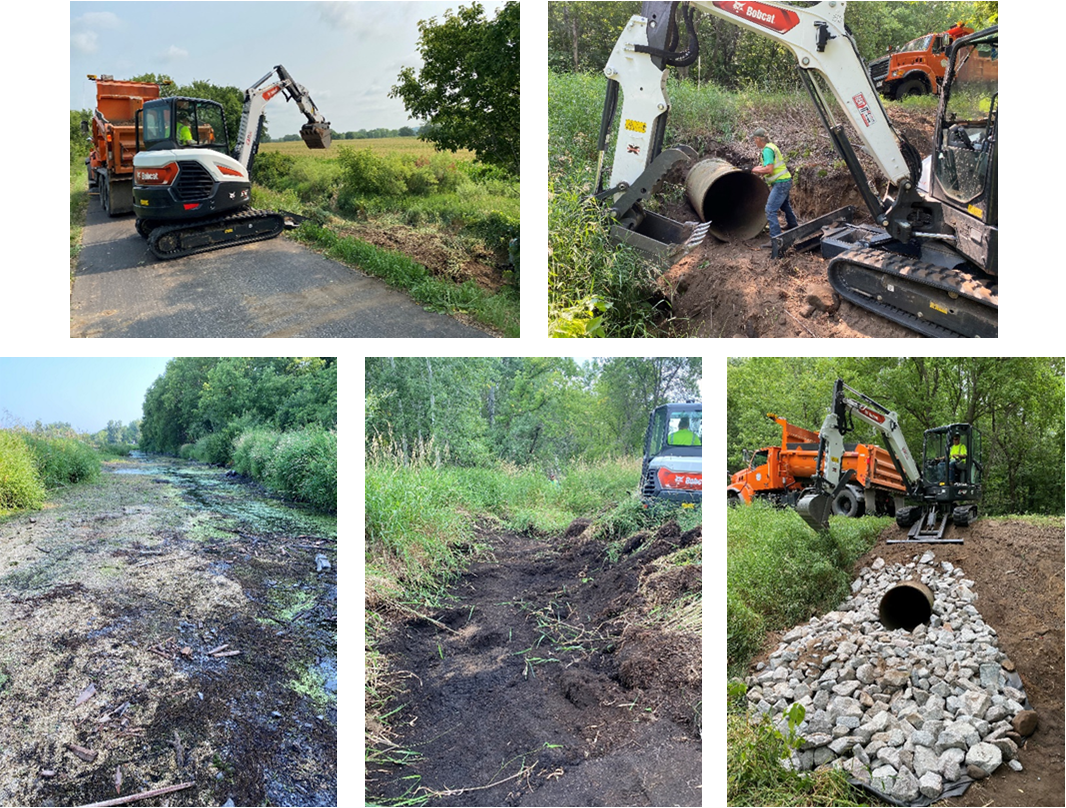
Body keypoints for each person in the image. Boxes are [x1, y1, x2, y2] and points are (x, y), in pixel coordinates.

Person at [750, 127, 798, 240]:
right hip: (785, 181)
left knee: (770, 210)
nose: (754, 142)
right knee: (785, 206)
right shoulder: (772, 146)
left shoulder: (767, 150)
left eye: (754, 139)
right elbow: (768, 166)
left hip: (781, 183)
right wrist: (756, 168)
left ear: (758, 139)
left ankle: (776, 239)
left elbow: (769, 170)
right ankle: (793, 226)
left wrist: (753, 170)